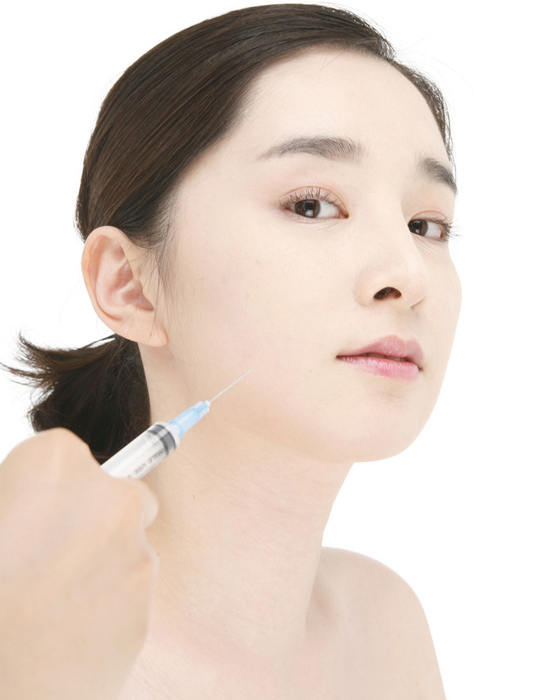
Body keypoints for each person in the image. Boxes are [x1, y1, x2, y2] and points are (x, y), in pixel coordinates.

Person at [2, 4, 461, 697]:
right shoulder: (34, 650)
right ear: (130, 286)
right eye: (311, 205)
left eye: (426, 224)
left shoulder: (385, 626)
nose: (409, 273)